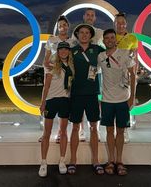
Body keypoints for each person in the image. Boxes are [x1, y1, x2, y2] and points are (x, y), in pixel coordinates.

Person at [98, 29, 136, 176]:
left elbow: (133, 75)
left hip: (122, 99)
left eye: (112, 37)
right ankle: (111, 161)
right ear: (103, 40)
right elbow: (94, 75)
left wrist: (132, 97)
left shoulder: (125, 54)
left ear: (116, 39)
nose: (109, 40)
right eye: (106, 38)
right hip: (107, 100)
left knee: (120, 131)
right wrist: (98, 98)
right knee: (108, 131)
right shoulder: (100, 56)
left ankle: (119, 161)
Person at [68, 23, 105, 175]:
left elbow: (113, 54)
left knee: (93, 128)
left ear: (91, 35)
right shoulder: (72, 51)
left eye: (87, 32)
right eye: (81, 32)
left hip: (92, 94)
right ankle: (73, 160)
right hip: (76, 94)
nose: (84, 35)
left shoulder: (97, 49)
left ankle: (96, 160)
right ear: (77, 35)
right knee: (75, 127)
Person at [38, 42, 75, 177]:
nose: (64, 51)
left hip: (65, 101)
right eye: (61, 49)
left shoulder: (71, 66)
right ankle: (43, 162)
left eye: (66, 49)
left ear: (69, 51)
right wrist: (43, 103)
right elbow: (46, 87)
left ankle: (62, 161)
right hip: (51, 101)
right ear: (58, 51)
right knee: (46, 133)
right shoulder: (51, 65)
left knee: (64, 132)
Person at [40, 15, 75, 143]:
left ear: (68, 26)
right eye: (60, 25)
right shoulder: (51, 39)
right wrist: (48, 67)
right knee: (47, 96)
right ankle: (45, 133)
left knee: (64, 101)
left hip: (67, 75)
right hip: (53, 72)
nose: (62, 27)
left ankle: (61, 133)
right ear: (57, 27)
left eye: (65, 25)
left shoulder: (72, 42)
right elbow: (46, 58)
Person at [72, 8, 104, 141]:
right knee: (80, 102)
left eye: (92, 15)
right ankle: (81, 130)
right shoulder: (77, 32)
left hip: (96, 72)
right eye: (88, 15)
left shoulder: (101, 32)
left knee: (96, 102)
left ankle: (95, 130)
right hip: (80, 72)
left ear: (95, 18)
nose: (90, 17)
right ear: (84, 16)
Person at [114, 12, 138, 142]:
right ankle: (114, 130)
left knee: (126, 102)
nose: (121, 25)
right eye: (118, 23)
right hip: (112, 74)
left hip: (126, 74)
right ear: (114, 24)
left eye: (123, 22)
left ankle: (124, 130)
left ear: (126, 24)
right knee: (113, 102)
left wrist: (136, 71)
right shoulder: (110, 36)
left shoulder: (132, 38)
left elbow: (135, 56)